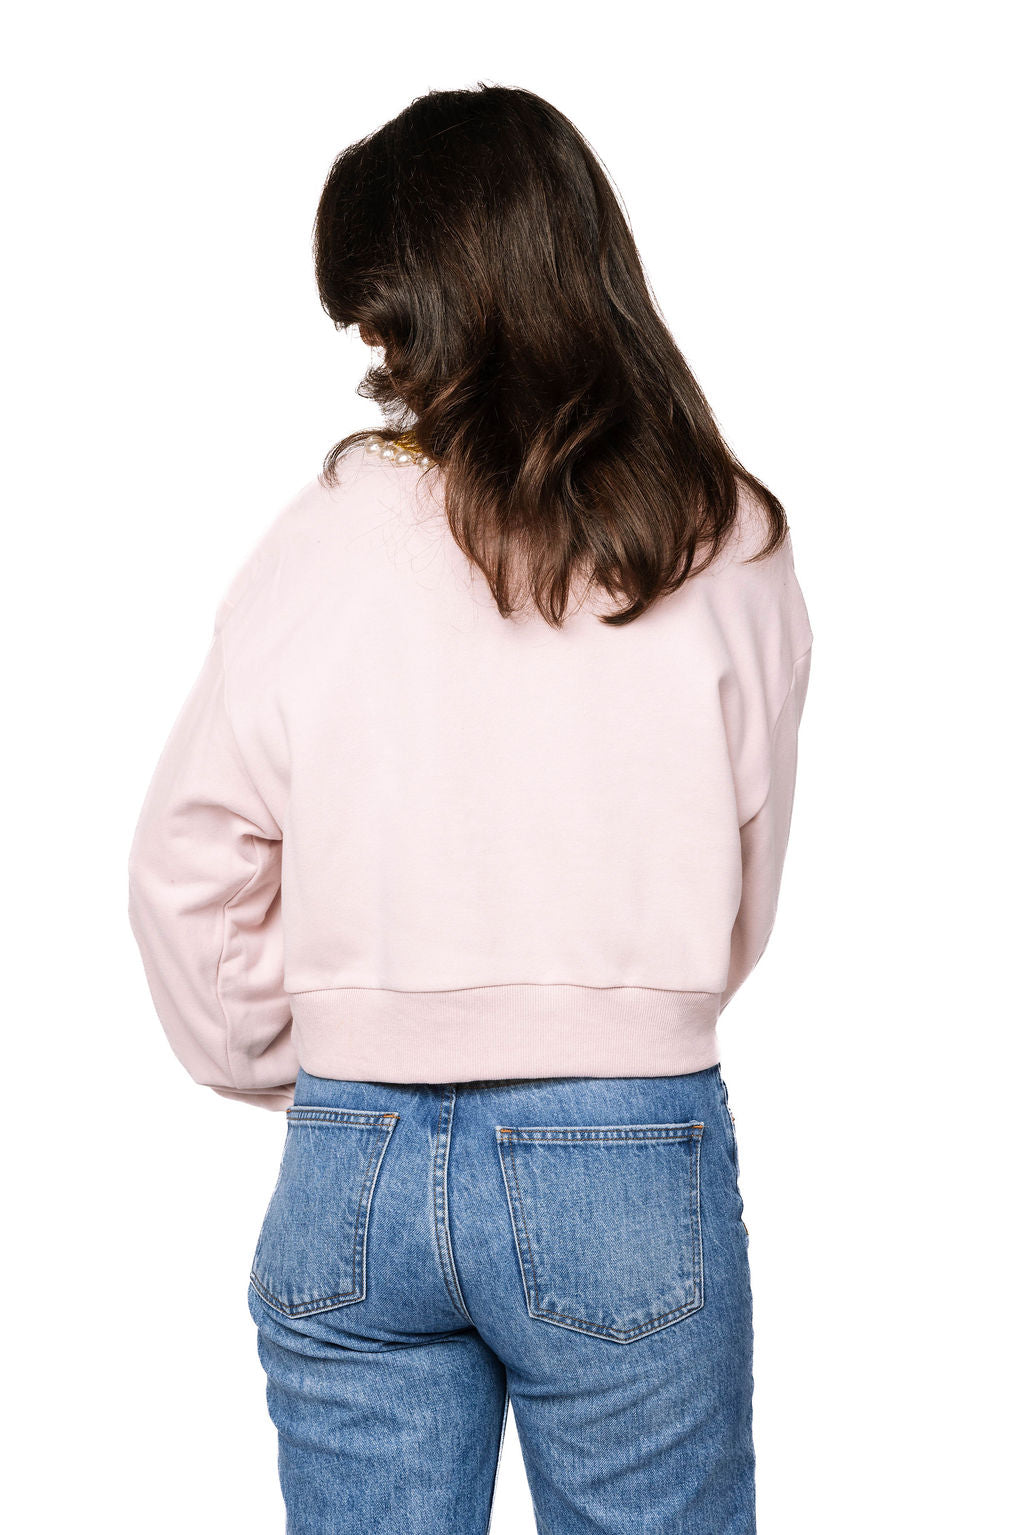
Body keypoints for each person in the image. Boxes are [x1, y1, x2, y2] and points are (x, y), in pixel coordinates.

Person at [127, 84, 812, 1535]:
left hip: (354, 1152)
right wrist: (612, 1009)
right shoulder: (724, 534)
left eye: (385, 327)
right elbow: (741, 881)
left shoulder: (327, 535)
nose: (381, 363)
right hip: (628, 1147)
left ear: (426, 312)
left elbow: (189, 862)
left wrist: (325, 1049)